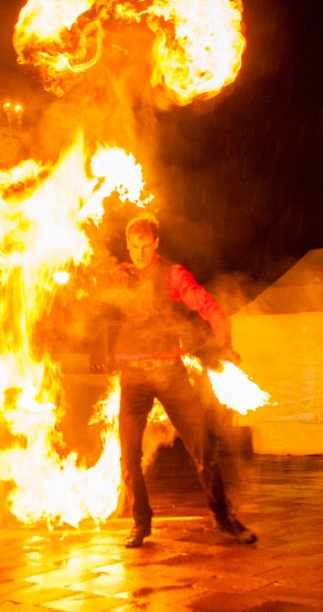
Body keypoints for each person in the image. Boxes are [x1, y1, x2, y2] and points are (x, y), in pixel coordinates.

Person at [112, 212, 256, 548]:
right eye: (134, 247)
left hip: (169, 373)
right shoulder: (121, 275)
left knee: (203, 447)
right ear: (127, 246)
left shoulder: (173, 275)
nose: (139, 253)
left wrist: (225, 341)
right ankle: (140, 523)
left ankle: (224, 518)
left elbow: (207, 305)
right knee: (129, 454)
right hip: (133, 376)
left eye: (145, 246)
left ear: (156, 243)